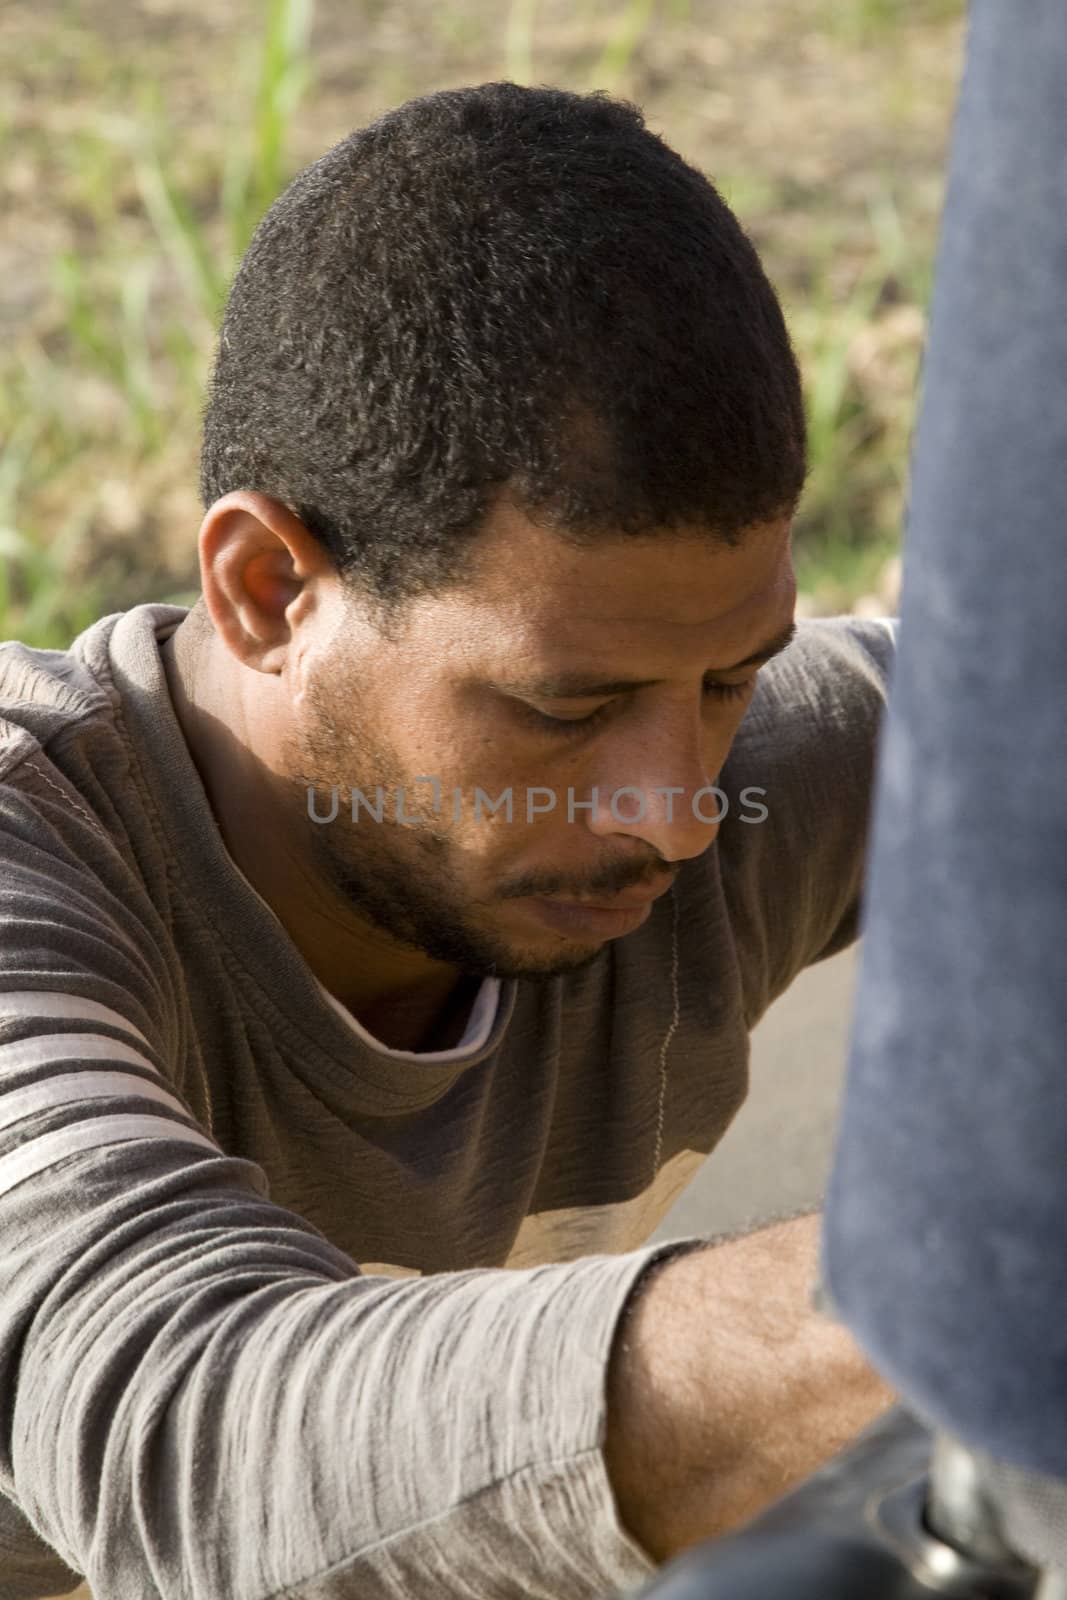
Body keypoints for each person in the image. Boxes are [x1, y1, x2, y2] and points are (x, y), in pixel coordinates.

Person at [2, 82, 897, 1600]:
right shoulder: (36, 863)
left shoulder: (730, 771)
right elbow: (189, 1429)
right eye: (567, 706)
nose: (677, 808)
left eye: (730, 679)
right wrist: (935, 1296)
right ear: (270, 590)